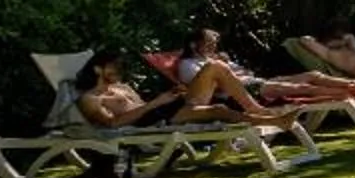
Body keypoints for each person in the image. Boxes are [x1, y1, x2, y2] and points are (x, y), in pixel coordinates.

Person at [169, 27, 355, 104]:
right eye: (208, 43)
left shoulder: (216, 60)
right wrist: (224, 69)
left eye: (214, 43)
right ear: (193, 45)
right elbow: (205, 88)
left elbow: (246, 72)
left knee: (312, 74)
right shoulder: (188, 65)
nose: (213, 47)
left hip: (255, 83)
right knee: (302, 88)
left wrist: (232, 67)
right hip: (242, 93)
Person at [76, 48, 271, 128]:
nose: (120, 70)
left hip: (163, 110)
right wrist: (157, 102)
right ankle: (270, 120)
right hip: (156, 120)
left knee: (216, 66)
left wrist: (168, 96)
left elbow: (143, 105)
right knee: (219, 109)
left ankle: (257, 111)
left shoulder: (122, 87)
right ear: (97, 69)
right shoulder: (90, 99)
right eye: (114, 66)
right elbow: (112, 124)